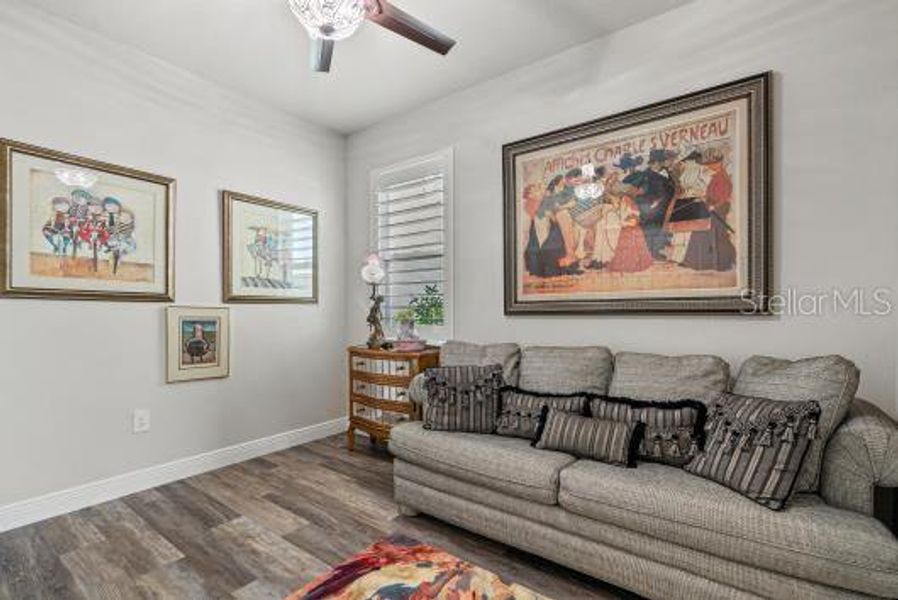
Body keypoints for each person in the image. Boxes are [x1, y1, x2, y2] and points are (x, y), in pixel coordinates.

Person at [681, 148, 737, 271]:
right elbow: (711, 194)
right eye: (708, 164)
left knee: (718, 235)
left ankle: (723, 262)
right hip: (712, 207)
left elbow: (724, 197)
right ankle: (696, 261)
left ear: (718, 163)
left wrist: (714, 206)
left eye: (711, 164)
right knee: (701, 232)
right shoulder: (716, 176)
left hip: (719, 209)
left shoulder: (723, 177)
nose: (709, 167)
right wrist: (703, 198)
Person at [608, 194, 654, 273]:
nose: (622, 202)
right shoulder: (621, 208)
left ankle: (632, 265)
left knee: (633, 249)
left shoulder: (632, 208)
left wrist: (624, 223)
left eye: (623, 201)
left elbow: (634, 222)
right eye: (621, 201)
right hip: (625, 231)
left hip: (633, 232)